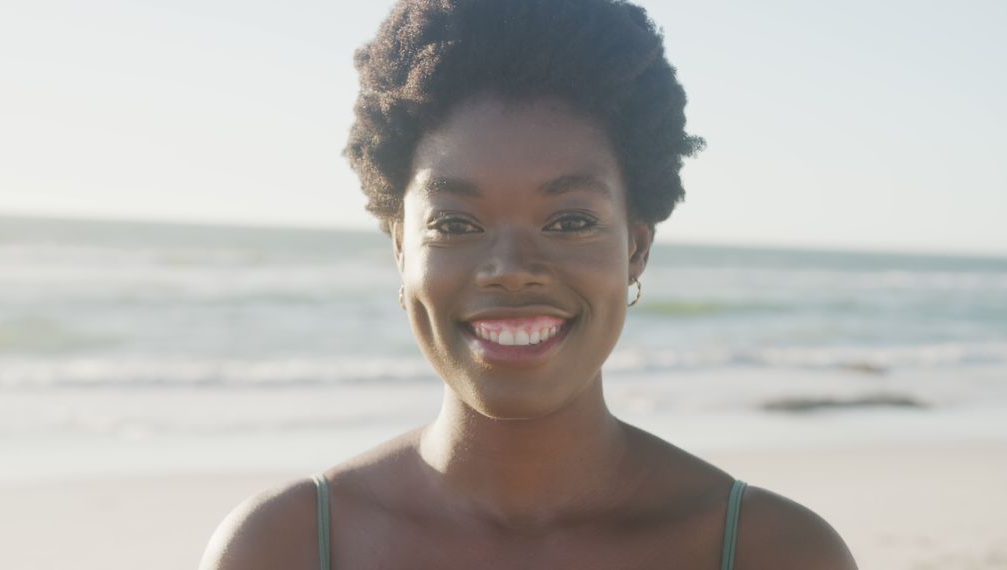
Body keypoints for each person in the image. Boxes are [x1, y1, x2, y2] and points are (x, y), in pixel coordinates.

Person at [201, 0, 858, 568]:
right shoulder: (284, 549)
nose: (510, 266)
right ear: (402, 248)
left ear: (636, 247)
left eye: (570, 220)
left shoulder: (772, 553)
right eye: (456, 223)